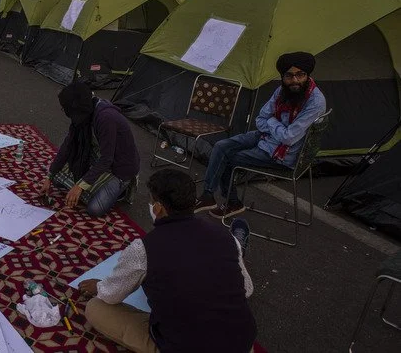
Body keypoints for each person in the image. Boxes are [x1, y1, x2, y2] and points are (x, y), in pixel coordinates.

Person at [78, 169, 257, 353]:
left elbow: (111, 295)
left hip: (183, 346)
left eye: (150, 200)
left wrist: (99, 287)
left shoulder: (144, 249)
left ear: (158, 208)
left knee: (95, 308)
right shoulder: (225, 236)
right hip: (243, 344)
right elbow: (247, 289)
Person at [196, 52, 327, 219]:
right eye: (289, 76)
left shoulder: (315, 102)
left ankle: (233, 202)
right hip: (265, 136)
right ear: (283, 77)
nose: (295, 80)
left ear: (307, 75)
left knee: (227, 158)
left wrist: (272, 122)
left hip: (281, 154)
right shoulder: (281, 91)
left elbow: (289, 137)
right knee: (221, 146)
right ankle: (207, 195)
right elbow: (260, 119)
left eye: (300, 75)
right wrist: (274, 125)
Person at [39, 82, 141, 217]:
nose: (65, 112)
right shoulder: (83, 115)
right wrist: (49, 176)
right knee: (57, 180)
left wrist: (79, 186)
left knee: (94, 209)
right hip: (97, 157)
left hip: (118, 168)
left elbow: (107, 159)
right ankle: (90, 185)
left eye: (65, 109)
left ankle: (122, 189)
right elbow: (67, 146)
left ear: (75, 108)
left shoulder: (106, 117)